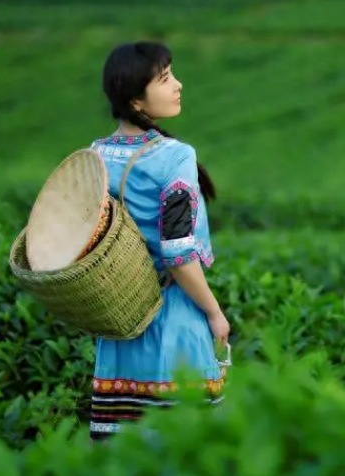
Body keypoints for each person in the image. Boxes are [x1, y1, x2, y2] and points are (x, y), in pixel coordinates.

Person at [86, 41, 231, 442]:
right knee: (185, 451)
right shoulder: (174, 157)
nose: (178, 85)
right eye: (165, 79)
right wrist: (215, 314)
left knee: (123, 455)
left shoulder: (95, 156)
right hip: (173, 321)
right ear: (136, 101)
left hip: (117, 327)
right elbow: (179, 253)